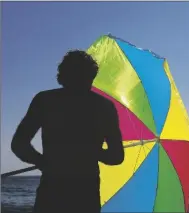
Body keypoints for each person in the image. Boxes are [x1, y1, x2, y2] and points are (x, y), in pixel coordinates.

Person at [11, 50, 125, 213]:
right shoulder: (104, 107)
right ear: (91, 77)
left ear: (62, 75)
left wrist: (42, 162)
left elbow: (19, 144)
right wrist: (92, 152)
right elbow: (116, 156)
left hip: (51, 192)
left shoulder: (45, 101)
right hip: (86, 196)